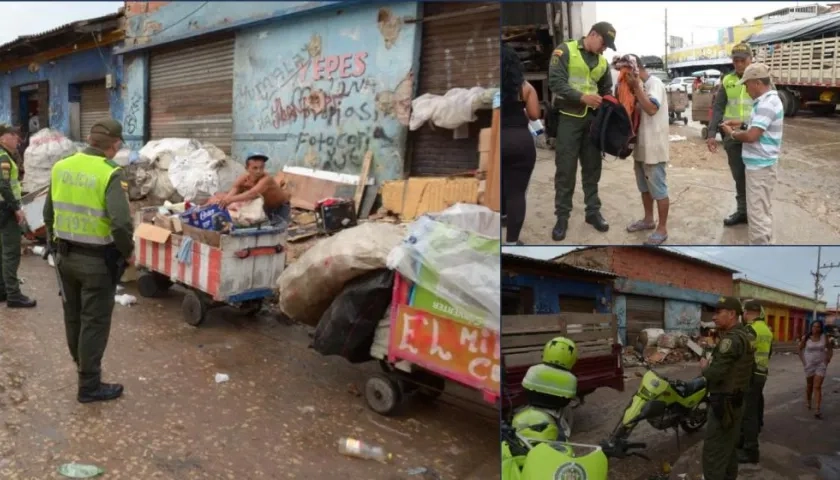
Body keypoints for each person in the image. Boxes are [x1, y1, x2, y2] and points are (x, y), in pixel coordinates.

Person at [43, 119, 134, 403]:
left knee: (73, 316)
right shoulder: (110, 173)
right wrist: (128, 251)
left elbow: (48, 212)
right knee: (94, 321)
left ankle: (80, 364)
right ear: (114, 145)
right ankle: (89, 385)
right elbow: (120, 224)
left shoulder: (61, 166)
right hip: (96, 263)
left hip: (65, 258)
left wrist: (54, 243)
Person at [547, 21, 615, 241]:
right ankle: (562, 217)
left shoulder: (603, 62)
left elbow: (606, 90)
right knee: (566, 170)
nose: (604, 49)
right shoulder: (565, 50)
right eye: (604, 43)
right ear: (593, 34)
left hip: (593, 122)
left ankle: (592, 212)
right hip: (568, 118)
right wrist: (581, 97)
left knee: (592, 169)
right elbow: (555, 82)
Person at [718, 63, 782, 245]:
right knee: (762, 210)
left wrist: (732, 133)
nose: (745, 89)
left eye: (747, 85)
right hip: (762, 166)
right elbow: (756, 125)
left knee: (757, 217)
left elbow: (752, 135)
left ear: (757, 83)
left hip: (760, 168)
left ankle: (761, 251)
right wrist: (739, 123)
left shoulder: (767, 104)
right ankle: (767, 245)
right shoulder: (766, 102)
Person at [700, 296, 755, 480]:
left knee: (713, 455)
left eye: (718, 312)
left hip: (724, 406)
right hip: (736, 402)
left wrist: (705, 367)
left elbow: (714, 374)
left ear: (732, 314)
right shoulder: (744, 335)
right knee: (728, 451)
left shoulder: (730, 341)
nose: (714, 317)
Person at [621, 54, 670, 245]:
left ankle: (662, 228)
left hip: (654, 147)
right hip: (641, 146)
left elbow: (651, 108)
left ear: (635, 70)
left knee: (659, 189)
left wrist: (635, 87)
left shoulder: (654, 83)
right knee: (644, 188)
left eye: (625, 73)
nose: (623, 77)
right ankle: (648, 220)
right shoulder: (635, 88)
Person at [707, 43, 753, 228]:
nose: (739, 64)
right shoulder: (727, 80)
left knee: (756, 177)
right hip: (732, 136)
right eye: (736, 60)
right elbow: (718, 107)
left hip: (754, 135)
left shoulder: (760, 78)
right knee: (739, 176)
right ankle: (743, 212)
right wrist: (711, 133)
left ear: (751, 59)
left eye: (743, 60)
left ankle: (756, 214)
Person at [500, 44, 541, 246]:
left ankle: (501, 216)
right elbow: (534, 115)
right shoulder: (525, 87)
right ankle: (511, 242)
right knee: (516, 192)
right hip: (519, 140)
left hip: (497, 141)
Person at [0, 125, 36, 308]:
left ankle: (3, 290)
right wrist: (16, 208)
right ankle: (14, 295)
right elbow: (4, 185)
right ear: (2, 138)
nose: (17, 139)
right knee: (11, 253)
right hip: (6, 208)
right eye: (12, 136)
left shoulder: (7, 156)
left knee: (3, 251)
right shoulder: (3, 157)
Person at [738, 299, 773, 465]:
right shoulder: (766, 329)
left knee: (748, 413)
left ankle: (750, 451)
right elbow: (769, 352)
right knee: (756, 405)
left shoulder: (750, 329)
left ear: (746, 313)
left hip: (751, 375)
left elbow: (743, 354)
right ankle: (752, 433)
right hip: (762, 373)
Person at [209, 152, 291, 225]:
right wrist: (225, 201)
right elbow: (235, 188)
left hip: (280, 208)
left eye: (261, 167)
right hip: (266, 208)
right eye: (255, 168)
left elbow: (252, 193)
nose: (259, 171)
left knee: (279, 231)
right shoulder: (244, 178)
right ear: (247, 168)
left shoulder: (266, 179)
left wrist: (229, 200)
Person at [798, 320, 833, 419]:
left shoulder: (824, 337)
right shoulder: (806, 338)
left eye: (818, 327)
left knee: (817, 386)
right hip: (809, 365)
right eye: (814, 326)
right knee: (810, 385)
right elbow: (799, 349)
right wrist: (804, 362)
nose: (816, 329)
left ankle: (817, 409)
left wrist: (828, 358)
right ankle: (808, 400)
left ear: (821, 328)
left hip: (821, 364)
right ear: (811, 327)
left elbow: (830, 348)